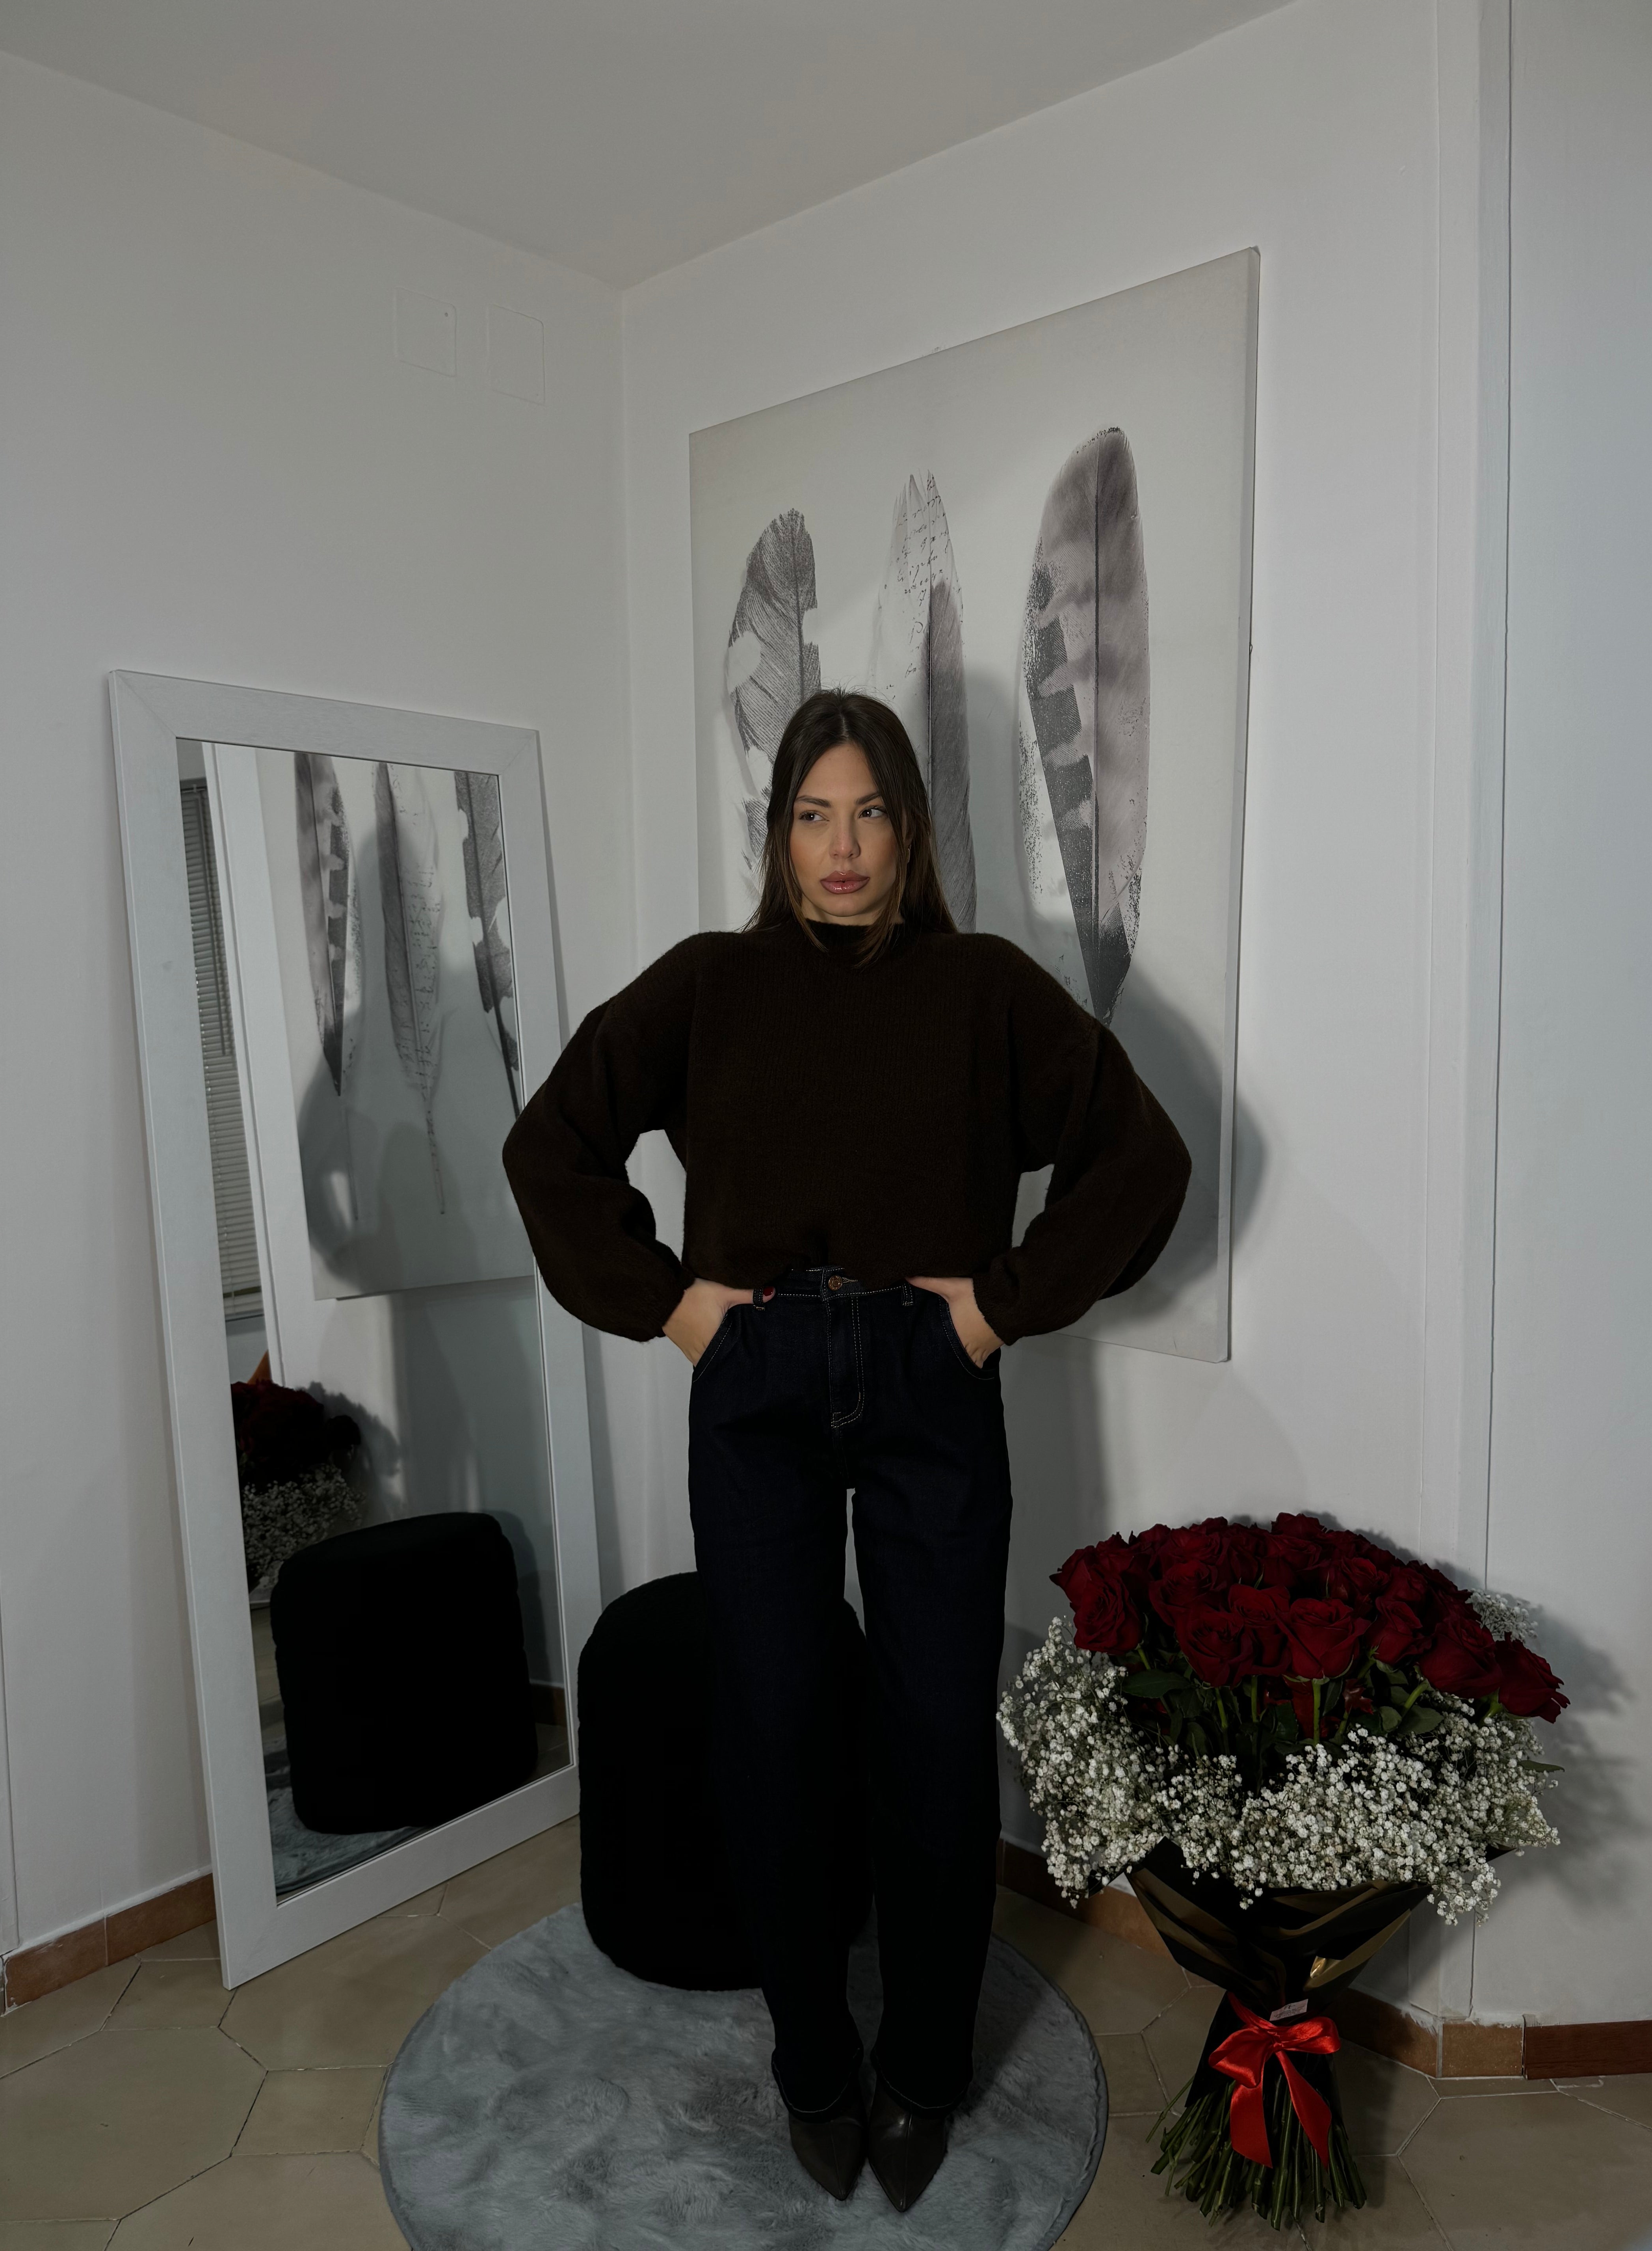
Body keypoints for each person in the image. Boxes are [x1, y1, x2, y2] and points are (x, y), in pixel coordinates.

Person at [503, 689, 1190, 2212]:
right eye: (813, 814)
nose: (843, 846)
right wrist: (675, 1305)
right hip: (754, 1380)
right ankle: (812, 2061)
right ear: (777, 835)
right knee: (773, 1722)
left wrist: (994, 1308)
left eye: (870, 812)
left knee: (935, 1730)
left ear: (911, 830)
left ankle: (925, 2068)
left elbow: (1143, 1160)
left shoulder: (982, 988)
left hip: (927, 1377)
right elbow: (549, 1146)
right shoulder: (709, 984)